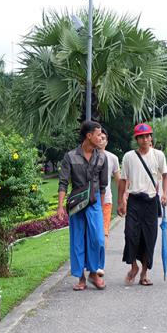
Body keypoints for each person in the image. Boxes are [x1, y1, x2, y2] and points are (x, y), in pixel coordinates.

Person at [57, 121, 109, 291]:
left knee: (98, 239)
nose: (101, 138)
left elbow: (103, 185)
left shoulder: (102, 157)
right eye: (98, 135)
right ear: (89, 136)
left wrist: (100, 207)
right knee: (78, 239)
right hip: (77, 203)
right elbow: (63, 183)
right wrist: (59, 207)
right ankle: (81, 277)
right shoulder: (70, 156)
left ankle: (94, 272)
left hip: (94, 202)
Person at [117, 123, 167, 286]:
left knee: (149, 237)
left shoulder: (159, 155)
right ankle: (134, 266)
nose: (145, 139)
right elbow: (123, 180)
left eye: (147, 136)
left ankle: (144, 273)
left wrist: (165, 194)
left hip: (151, 201)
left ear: (151, 137)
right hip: (134, 200)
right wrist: (121, 201)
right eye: (141, 137)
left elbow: (165, 176)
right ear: (137, 139)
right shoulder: (128, 157)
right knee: (130, 235)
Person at [98, 128, 121, 248]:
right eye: (99, 138)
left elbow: (118, 179)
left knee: (104, 233)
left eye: (103, 139)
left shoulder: (112, 158)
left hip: (106, 200)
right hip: (90, 200)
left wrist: (122, 199)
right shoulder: (87, 156)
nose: (100, 141)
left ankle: (100, 263)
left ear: (107, 142)